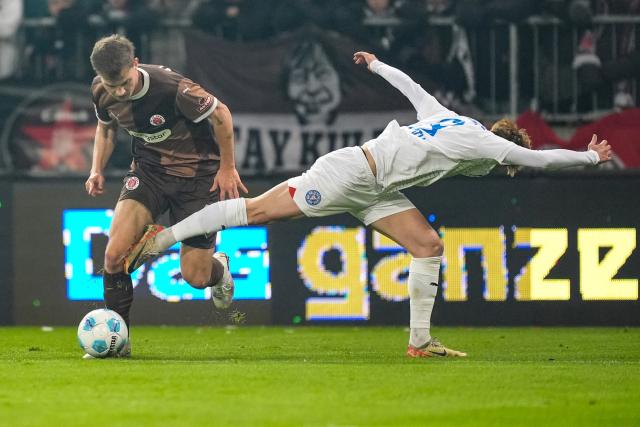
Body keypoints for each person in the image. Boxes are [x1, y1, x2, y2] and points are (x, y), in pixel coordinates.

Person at [124, 51, 612, 359]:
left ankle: (420, 343)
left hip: (376, 187)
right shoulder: (487, 147)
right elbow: (540, 160)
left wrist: (377, 65)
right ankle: (162, 240)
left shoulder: (450, 117)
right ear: (498, 145)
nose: (501, 166)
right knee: (257, 212)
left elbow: (413, 90)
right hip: (351, 174)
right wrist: (590, 156)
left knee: (427, 244)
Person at [85, 34, 247, 357]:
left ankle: (221, 268)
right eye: (111, 85)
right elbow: (106, 128)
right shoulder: (101, 90)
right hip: (150, 174)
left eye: (124, 83)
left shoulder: (172, 88)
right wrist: (96, 169)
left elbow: (221, 115)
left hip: (197, 180)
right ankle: (121, 342)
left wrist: (227, 167)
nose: (118, 92)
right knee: (113, 256)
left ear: (135, 64)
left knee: (196, 277)